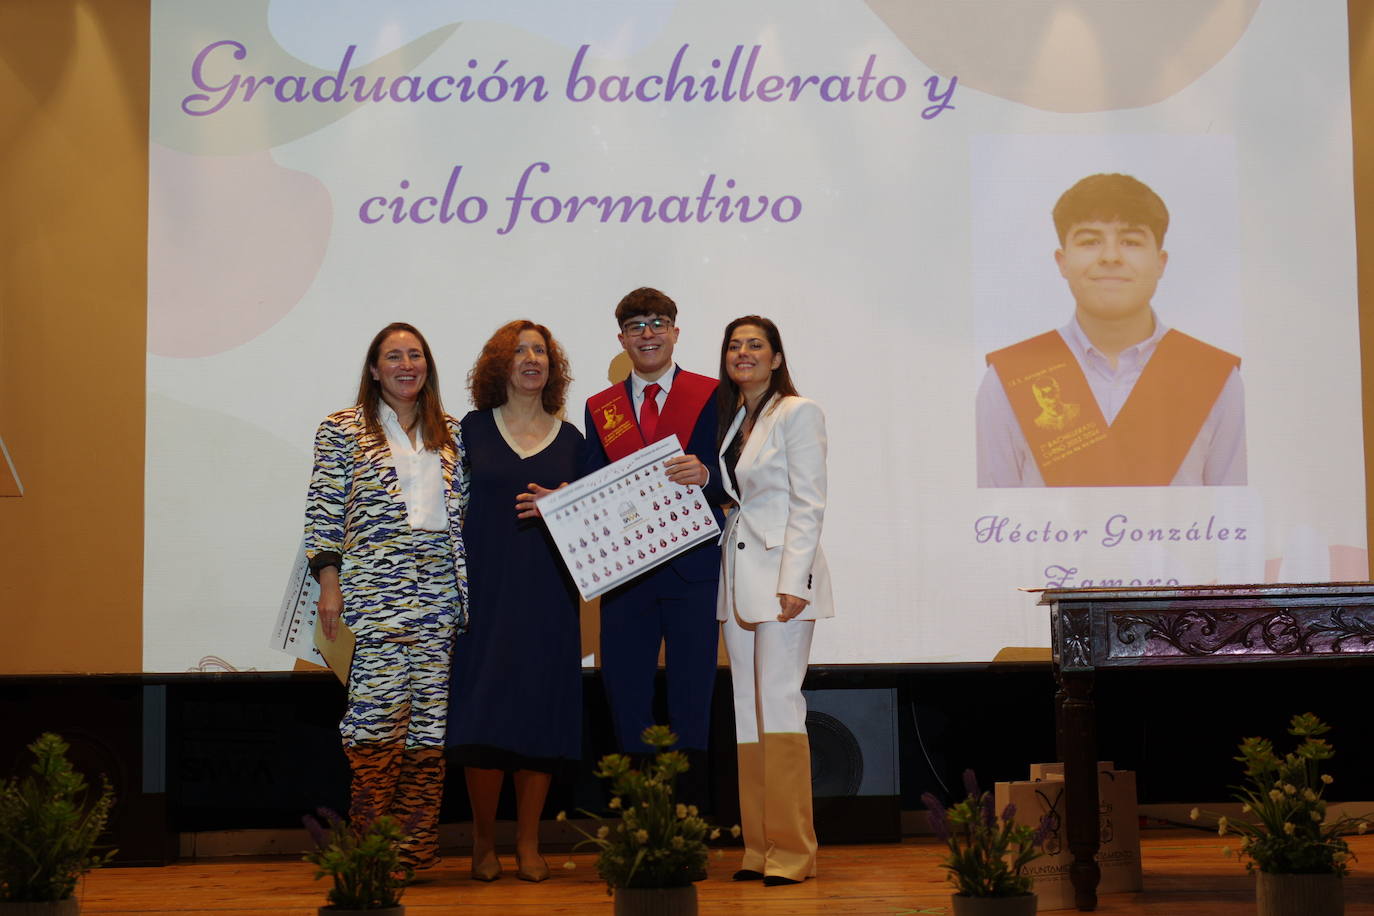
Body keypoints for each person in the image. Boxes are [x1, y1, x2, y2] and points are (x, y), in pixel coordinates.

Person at [303, 321, 468, 871]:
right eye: (393, 356)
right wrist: (330, 583)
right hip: (374, 600)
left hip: (439, 599)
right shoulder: (342, 428)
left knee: (427, 735)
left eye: (415, 355)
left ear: (427, 366)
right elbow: (324, 510)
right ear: (374, 369)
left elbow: (464, 512)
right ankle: (372, 857)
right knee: (374, 733)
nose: (406, 365)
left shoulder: (450, 430)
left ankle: (414, 855)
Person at [976, 172, 1247, 487]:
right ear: (1062, 262)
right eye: (1090, 241)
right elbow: (991, 525)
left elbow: (1232, 525)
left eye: (1131, 241)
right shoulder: (1010, 380)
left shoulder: (1214, 377)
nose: (1110, 257)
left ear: (1161, 262)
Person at [446, 320, 583, 883]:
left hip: (549, 594)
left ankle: (528, 842)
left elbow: (594, 520)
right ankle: (483, 842)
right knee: (484, 715)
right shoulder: (469, 430)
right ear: (500, 364)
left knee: (538, 713)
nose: (533, 358)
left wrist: (571, 500)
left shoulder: (573, 440)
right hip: (485, 589)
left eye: (542, 351)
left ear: (553, 368)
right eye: (521, 350)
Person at [580, 287, 725, 803]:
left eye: (658, 322)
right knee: (627, 699)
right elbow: (593, 484)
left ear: (675, 332)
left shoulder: (712, 393)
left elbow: (736, 474)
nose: (648, 333)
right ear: (622, 338)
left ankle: (688, 823)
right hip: (625, 576)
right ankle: (639, 826)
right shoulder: (600, 408)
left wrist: (707, 474)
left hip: (693, 572)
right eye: (637, 325)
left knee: (692, 701)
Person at [715, 315, 832, 886]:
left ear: (777, 357)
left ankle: (793, 852)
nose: (743, 353)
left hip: (783, 580)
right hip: (738, 578)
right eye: (735, 346)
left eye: (755, 345)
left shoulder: (798, 411)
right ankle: (758, 847)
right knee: (747, 712)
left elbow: (808, 503)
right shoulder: (735, 416)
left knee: (781, 707)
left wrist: (795, 580)